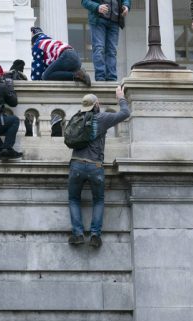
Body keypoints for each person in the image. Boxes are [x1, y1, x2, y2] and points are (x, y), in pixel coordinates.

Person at [67, 86, 130, 248]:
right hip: (95, 166)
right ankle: (95, 235)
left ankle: (78, 234)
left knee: (74, 199)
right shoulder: (102, 118)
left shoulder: (76, 118)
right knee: (98, 200)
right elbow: (125, 113)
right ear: (97, 104)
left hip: (76, 164)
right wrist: (121, 97)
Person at [82, 0, 130, 82]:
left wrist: (126, 5)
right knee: (99, 48)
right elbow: (84, 1)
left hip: (114, 22)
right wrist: (97, 7)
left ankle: (112, 78)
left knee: (112, 51)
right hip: (98, 20)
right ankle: (100, 77)